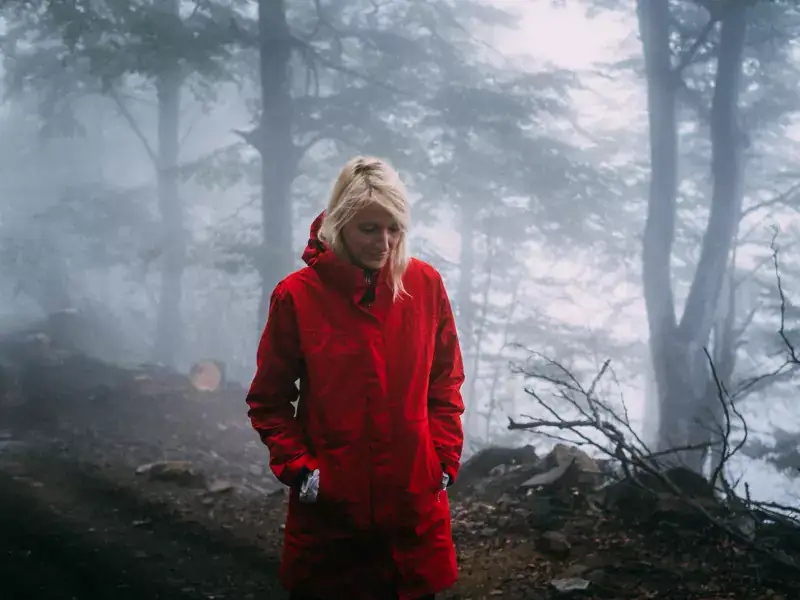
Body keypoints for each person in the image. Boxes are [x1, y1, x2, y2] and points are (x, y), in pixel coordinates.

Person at [245, 155, 466, 600]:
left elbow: (445, 383)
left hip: (412, 514)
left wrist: (441, 457)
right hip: (333, 522)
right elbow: (268, 401)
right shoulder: (297, 297)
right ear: (340, 224)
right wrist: (303, 471)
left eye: (394, 228)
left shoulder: (424, 286)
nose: (384, 242)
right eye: (369, 228)